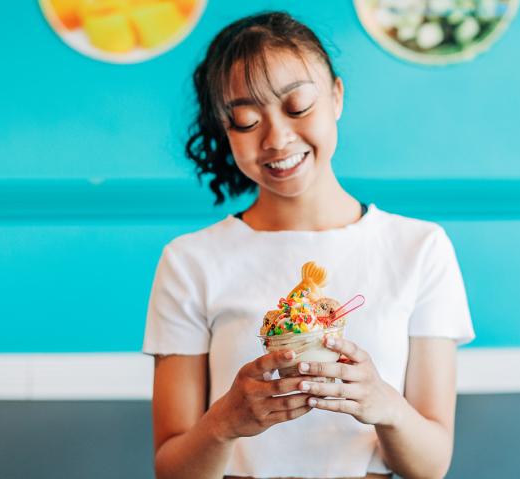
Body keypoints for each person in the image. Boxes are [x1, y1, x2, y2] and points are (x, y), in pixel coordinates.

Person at [143, 11, 474, 479]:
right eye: (246, 120)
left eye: (297, 107)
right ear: (225, 131)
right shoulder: (190, 261)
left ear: (336, 96)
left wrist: (385, 405)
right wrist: (225, 423)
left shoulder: (420, 248)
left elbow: (431, 465)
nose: (276, 139)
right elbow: (172, 469)